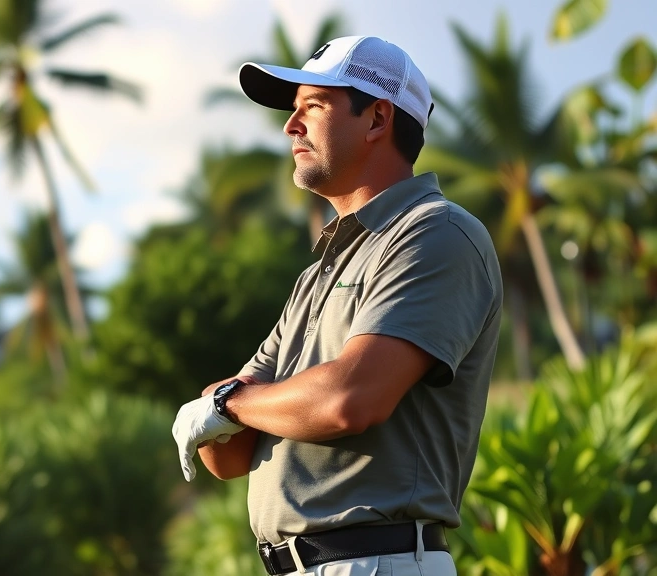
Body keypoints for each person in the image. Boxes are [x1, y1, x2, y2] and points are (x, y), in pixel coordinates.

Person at [171, 35, 503, 576]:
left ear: (377, 119)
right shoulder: (318, 273)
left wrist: (226, 403)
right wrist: (234, 407)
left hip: (378, 561)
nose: (289, 126)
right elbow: (227, 456)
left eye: (313, 107)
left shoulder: (435, 232)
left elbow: (350, 399)